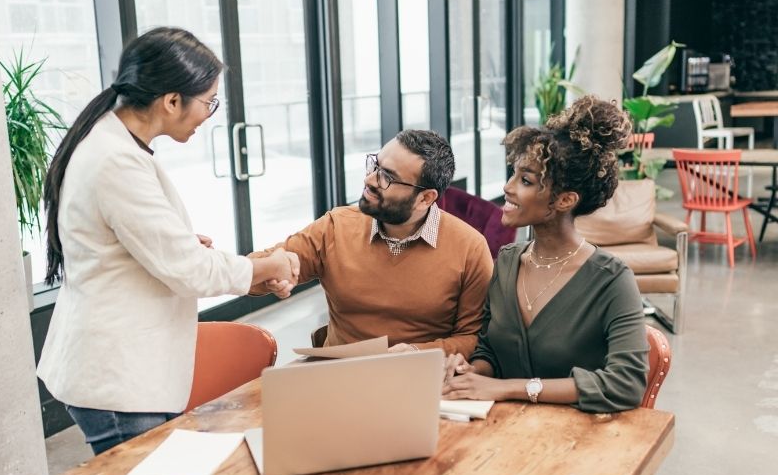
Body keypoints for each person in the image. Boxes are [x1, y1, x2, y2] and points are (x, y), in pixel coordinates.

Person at [37, 27, 299, 455]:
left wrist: (174, 242)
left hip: (121, 366)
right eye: (209, 102)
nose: (210, 113)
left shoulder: (110, 139)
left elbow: (123, 240)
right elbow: (188, 268)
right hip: (118, 379)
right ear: (172, 101)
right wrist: (266, 267)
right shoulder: (115, 160)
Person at [442, 96, 648, 413]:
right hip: (502, 431)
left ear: (565, 200)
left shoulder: (611, 280)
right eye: (513, 173)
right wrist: (473, 373)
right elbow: (490, 350)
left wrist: (509, 388)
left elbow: (626, 383)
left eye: (526, 180)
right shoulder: (508, 261)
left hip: (576, 441)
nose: (508, 187)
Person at [251, 130, 494, 358]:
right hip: (339, 376)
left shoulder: (469, 248)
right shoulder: (336, 227)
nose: (370, 179)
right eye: (375, 165)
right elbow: (257, 272)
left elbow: (473, 338)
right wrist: (259, 271)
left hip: (418, 378)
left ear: (425, 198)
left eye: (387, 177)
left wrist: (417, 352)